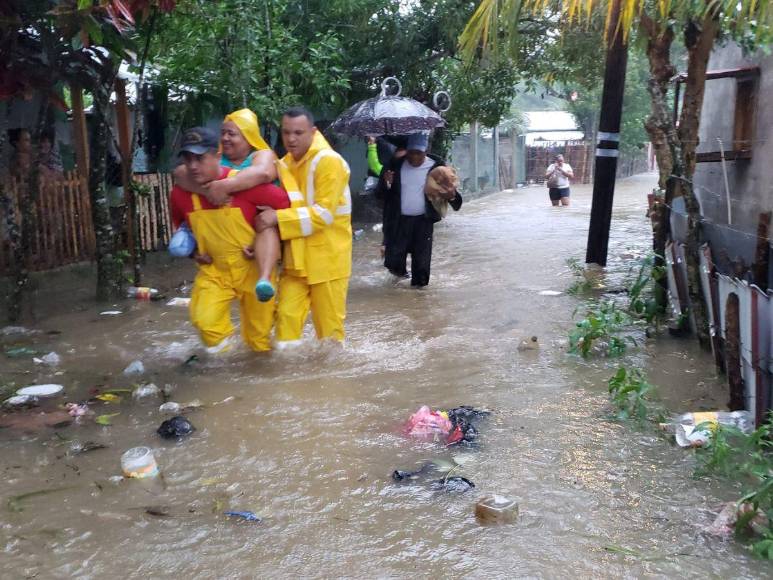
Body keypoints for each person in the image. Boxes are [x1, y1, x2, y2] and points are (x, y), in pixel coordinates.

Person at [169, 127, 290, 353]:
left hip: (253, 269)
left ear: (217, 155)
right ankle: (228, 365)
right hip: (214, 270)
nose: (193, 166)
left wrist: (268, 233)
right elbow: (181, 226)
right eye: (188, 159)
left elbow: (287, 208)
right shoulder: (179, 194)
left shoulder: (246, 185)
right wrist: (193, 252)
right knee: (205, 321)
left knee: (259, 340)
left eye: (200, 158)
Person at [255, 107, 352, 344]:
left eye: (298, 132)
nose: (291, 139)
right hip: (296, 261)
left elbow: (323, 215)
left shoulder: (329, 162)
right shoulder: (285, 163)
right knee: (285, 322)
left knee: (330, 335)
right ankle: (287, 379)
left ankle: (331, 381)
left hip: (328, 261)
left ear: (313, 131)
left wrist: (278, 218)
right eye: (286, 132)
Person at [173, 108, 281, 301]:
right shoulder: (212, 158)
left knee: (266, 226)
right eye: (223, 133)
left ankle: (264, 278)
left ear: (248, 136)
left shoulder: (262, 155)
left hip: (260, 222)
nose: (225, 138)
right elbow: (180, 173)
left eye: (232, 133)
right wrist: (209, 191)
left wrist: (225, 185)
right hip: (221, 242)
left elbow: (264, 173)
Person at [377, 132, 462, 288]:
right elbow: (380, 195)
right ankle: (401, 281)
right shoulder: (394, 165)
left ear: (426, 150)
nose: (414, 157)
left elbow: (456, 202)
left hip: (424, 222)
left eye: (418, 153)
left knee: (421, 270)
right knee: (393, 263)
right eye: (411, 153)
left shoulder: (438, 168)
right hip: (398, 223)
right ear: (406, 150)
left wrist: (451, 196)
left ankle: (419, 301)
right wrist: (387, 184)